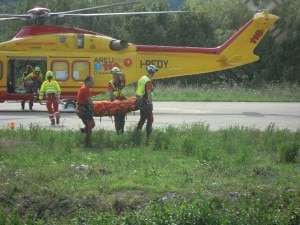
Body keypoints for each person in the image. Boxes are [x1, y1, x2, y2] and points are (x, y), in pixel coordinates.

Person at [135, 64, 158, 143]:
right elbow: (148, 93)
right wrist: (150, 104)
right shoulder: (148, 81)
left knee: (143, 118)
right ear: (152, 72)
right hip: (145, 102)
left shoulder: (142, 78)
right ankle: (148, 138)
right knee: (150, 119)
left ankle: (137, 135)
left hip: (140, 101)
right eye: (154, 71)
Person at [76, 76, 95, 146]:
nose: (93, 83)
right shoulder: (85, 89)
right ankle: (87, 143)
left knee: (92, 124)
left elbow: (89, 102)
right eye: (92, 82)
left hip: (85, 109)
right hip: (82, 110)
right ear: (87, 82)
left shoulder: (86, 88)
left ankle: (83, 131)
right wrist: (94, 110)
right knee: (89, 125)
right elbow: (90, 102)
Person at [108, 67, 127, 134]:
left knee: (122, 119)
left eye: (117, 74)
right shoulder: (111, 83)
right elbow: (111, 95)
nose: (116, 76)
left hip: (123, 103)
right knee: (117, 119)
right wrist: (117, 102)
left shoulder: (122, 81)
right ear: (112, 75)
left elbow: (123, 75)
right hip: (115, 103)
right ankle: (118, 133)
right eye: (114, 75)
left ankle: (121, 132)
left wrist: (117, 72)